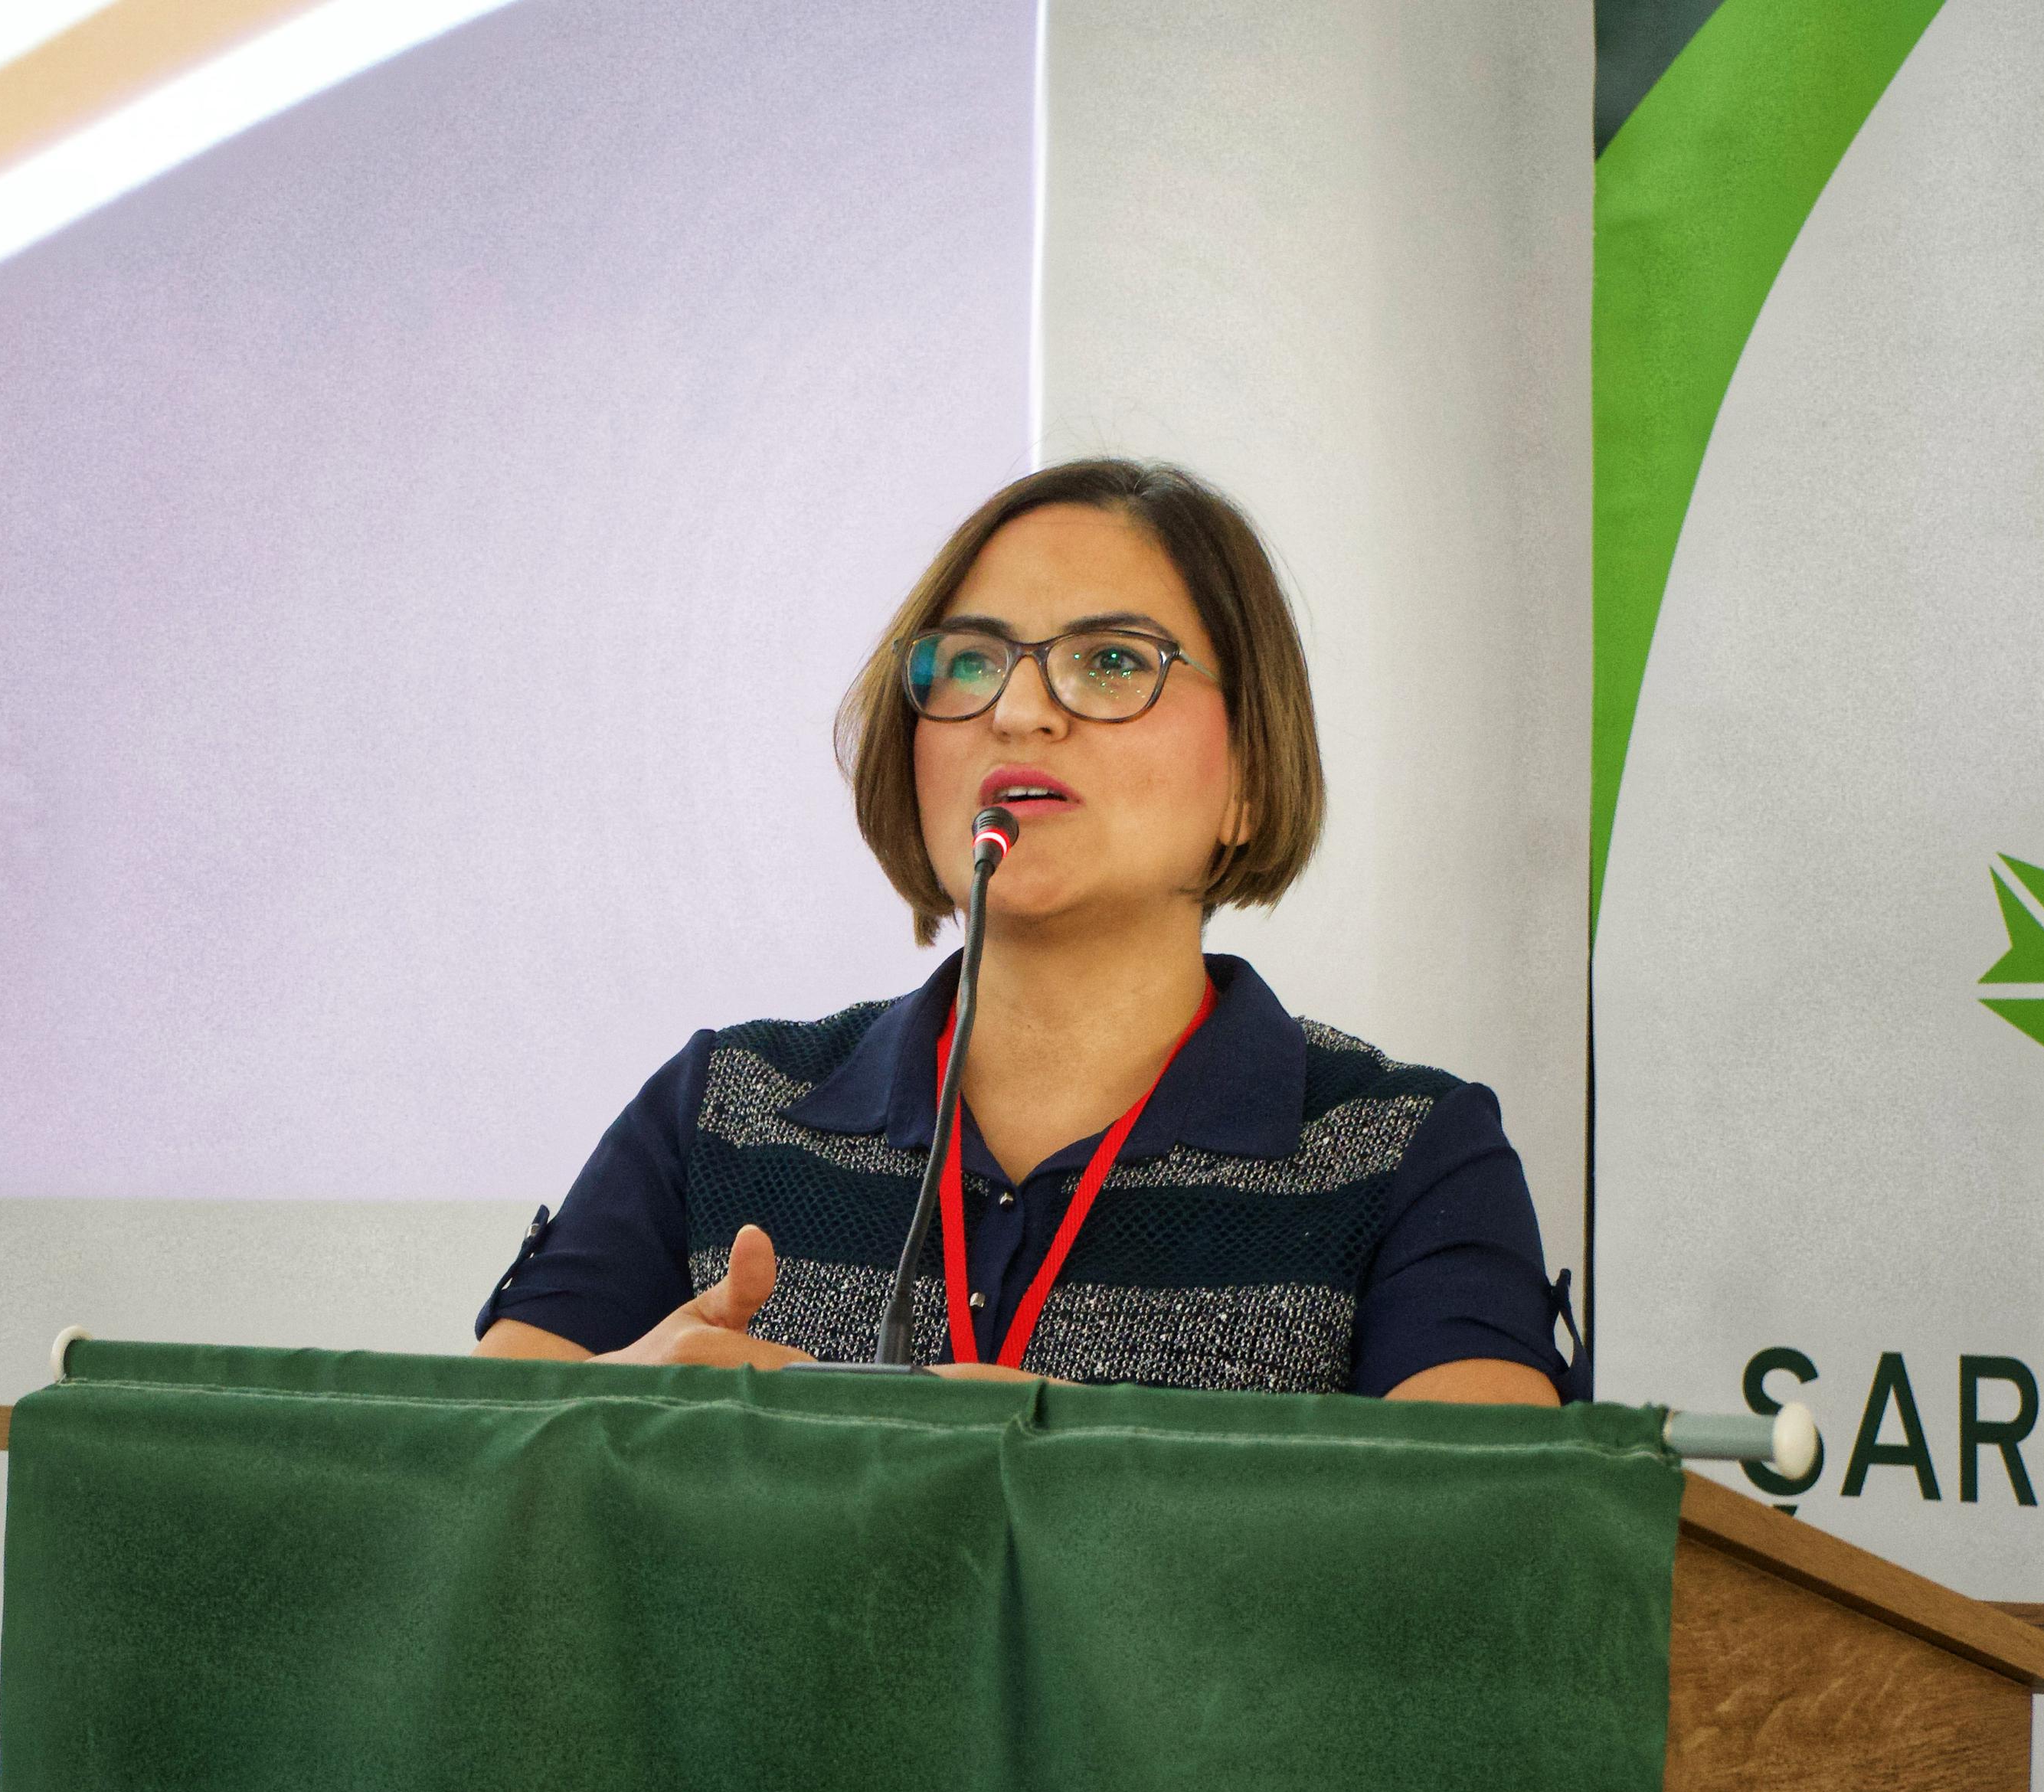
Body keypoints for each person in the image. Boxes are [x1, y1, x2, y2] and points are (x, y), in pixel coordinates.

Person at [473, 457, 1568, 1402]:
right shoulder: (721, 1110)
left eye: (1114, 660)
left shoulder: (1409, 1154)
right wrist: (618, 1417)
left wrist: (1065, 1461)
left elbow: (1483, 1541)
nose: (1018, 710)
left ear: (1248, 773)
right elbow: (454, 1476)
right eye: (969, 661)